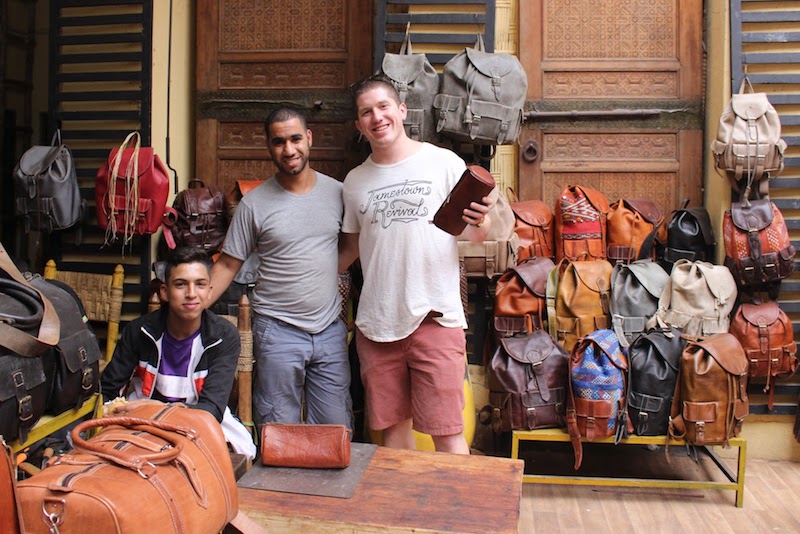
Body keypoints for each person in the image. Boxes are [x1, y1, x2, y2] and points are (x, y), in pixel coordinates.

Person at [338, 77, 493, 454]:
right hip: (377, 325)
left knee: (448, 432)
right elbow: (349, 251)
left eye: (383, 106)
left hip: (435, 318)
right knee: (392, 437)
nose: (377, 117)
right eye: (366, 112)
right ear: (359, 125)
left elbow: (476, 235)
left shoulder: (442, 162)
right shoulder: (354, 182)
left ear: (402, 110)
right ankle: (404, 515)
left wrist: (483, 220)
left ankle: (456, 513)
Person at [208, 108, 352, 430]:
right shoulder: (254, 204)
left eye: (295, 138)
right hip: (277, 330)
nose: (289, 150)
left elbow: (351, 246)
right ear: (268, 146)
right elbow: (229, 263)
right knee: (278, 433)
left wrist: (319, 274)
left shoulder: (339, 193)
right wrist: (192, 304)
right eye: (279, 142)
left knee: (336, 430)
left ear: (309, 138)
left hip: (329, 330)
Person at [101, 246, 256, 460]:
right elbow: (108, 390)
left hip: (198, 424)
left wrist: (158, 409)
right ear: (165, 292)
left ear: (210, 290)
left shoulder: (222, 337)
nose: (191, 294)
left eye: (200, 284)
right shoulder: (139, 332)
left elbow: (211, 409)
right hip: (138, 423)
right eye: (181, 284)